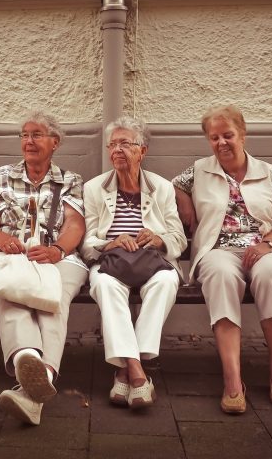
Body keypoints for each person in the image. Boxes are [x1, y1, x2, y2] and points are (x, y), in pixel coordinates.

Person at [172, 105, 272, 414]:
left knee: (271, 274)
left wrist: (268, 244)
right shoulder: (199, 169)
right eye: (214, 137)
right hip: (218, 249)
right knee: (220, 275)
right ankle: (232, 378)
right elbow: (173, 185)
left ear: (243, 135)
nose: (221, 143)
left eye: (228, 135)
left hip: (266, 249)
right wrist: (185, 200)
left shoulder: (270, 173)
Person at [0, 111, 87, 426]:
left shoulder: (70, 180)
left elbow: (75, 225)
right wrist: (3, 241)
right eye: (24, 134)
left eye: (37, 134)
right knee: (9, 293)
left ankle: (35, 377)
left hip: (59, 257)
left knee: (55, 300)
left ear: (55, 142)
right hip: (11, 254)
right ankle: (30, 359)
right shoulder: (1, 177)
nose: (28, 141)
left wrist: (57, 250)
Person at [80, 116, 186, 409]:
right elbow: (87, 243)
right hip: (111, 263)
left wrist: (157, 238)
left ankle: (126, 369)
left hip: (153, 263)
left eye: (125, 143)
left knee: (166, 282)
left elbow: (179, 238)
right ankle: (138, 373)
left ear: (143, 151)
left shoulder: (161, 188)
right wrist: (111, 242)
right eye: (112, 144)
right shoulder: (94, 189)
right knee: (103, 283)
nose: (117, 149)